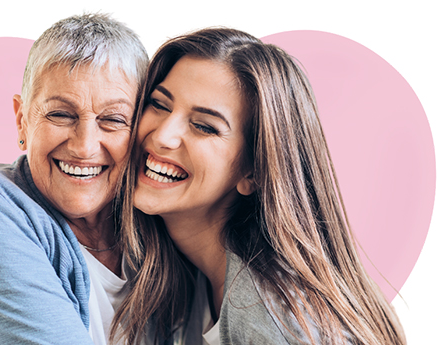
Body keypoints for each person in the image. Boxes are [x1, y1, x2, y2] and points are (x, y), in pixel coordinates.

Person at [112, 28, 406, 345]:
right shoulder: (197, 282)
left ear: (252, 173)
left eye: (204, 126)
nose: (161, 136)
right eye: (159, 104)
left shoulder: (269, 315)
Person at [0, 13, 148, 345]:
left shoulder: (153, 227)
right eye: (60, 114)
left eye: (113, 119)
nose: (85, 146)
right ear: (22, 122)